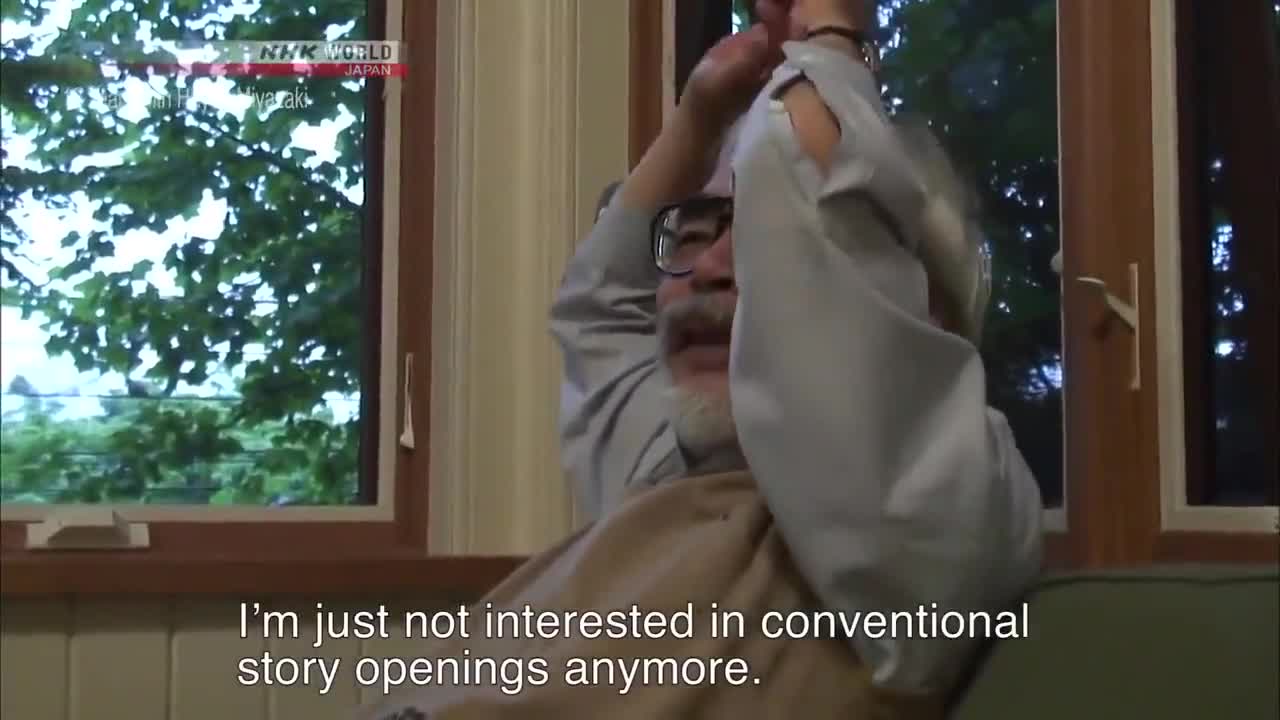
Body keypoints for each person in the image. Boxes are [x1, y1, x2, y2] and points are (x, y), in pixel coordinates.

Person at [550, 0, 1043, 699]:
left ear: (920, 308)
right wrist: (696, 121)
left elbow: (819, 205)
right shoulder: (664, 467)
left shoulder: (930, 496)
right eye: (697, 232)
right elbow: (597, 307)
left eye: (759, 233)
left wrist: (831, 32)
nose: (707, 267)